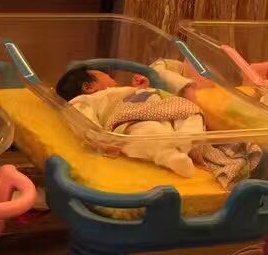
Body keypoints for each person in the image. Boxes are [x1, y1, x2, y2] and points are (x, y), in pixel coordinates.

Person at [54, 63, 207, 176]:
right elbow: (84, 123)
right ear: (89, 87)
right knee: (148, 131)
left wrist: (141, 88)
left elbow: (138, 96)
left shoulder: (121, 91)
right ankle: (170, 156)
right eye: (109, 77)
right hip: (130, 117)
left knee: (191, 112)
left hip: (163, 107)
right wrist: (102, 142)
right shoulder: (86, 100)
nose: (115, 80)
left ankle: (186, 139)